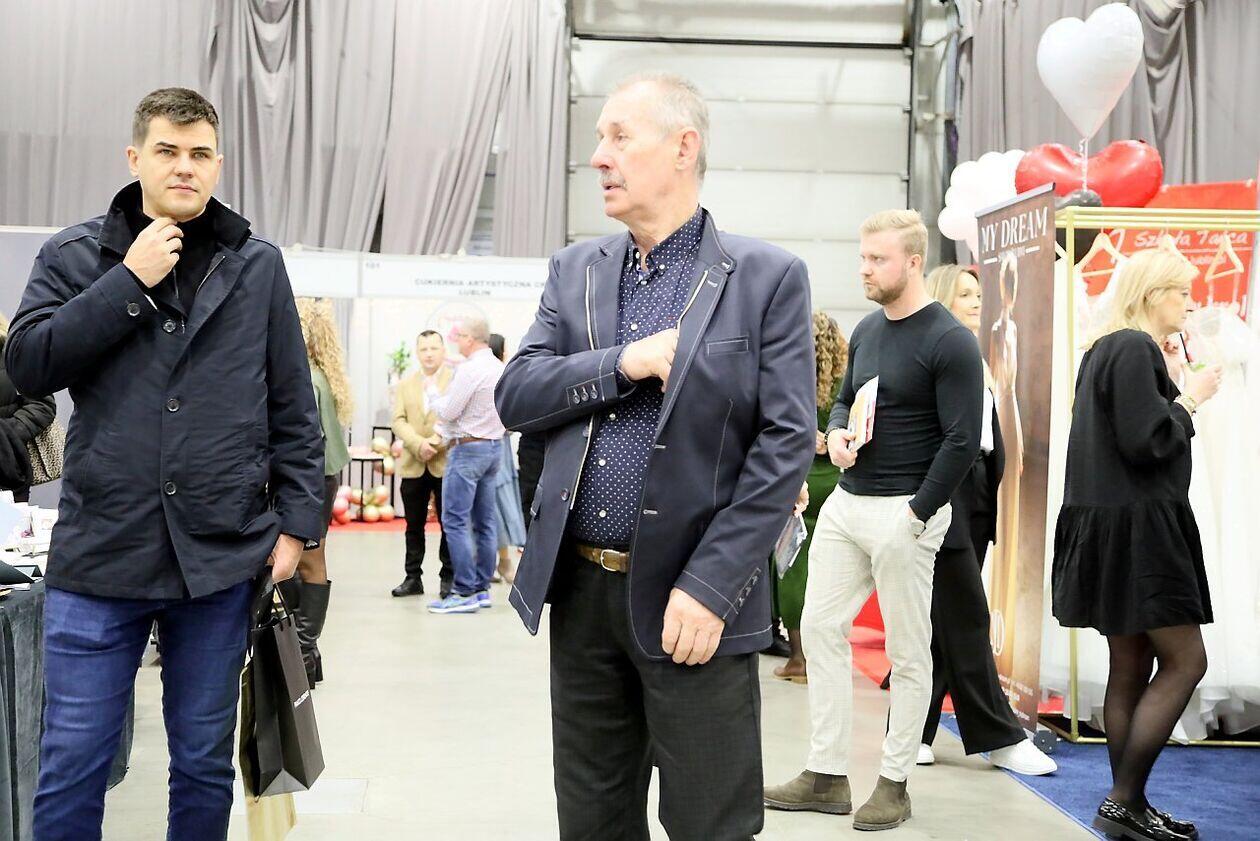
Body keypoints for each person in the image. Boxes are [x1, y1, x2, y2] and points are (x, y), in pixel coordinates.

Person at [495, 73, 815, 841]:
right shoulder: (576, 270)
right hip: (582, 594)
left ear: (683, 147)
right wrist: (624, 361)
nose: (599, 156)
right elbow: (519, 393)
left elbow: (784, 445)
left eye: (619, 136)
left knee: (710, 821)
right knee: (592, 819)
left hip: (694, 602)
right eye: (598, 138)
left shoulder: (767, 278)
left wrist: (710, 588)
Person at [7, 87, 322, 841]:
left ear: (218, 164)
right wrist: (127, 281)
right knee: (73, 760)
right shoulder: (75, 256)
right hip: (101, 552)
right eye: (168, 151)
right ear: (135, 158)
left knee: (205, 762)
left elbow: (293, 405)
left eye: (199, 153)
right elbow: (27, 364)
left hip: (218, 556)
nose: (185, 166)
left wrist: (297, 525)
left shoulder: (257, 267)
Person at [766, 210, 981, 832]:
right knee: (820, 627)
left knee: (908, 651)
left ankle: (894, 781)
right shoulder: (866, 330)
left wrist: (916, 513)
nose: (864, 269)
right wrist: (836, 434)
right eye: (863, 258)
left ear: (913, 262)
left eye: (877, 259)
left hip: (906, 510)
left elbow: (963, 440)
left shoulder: (950, 341)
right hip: (848, 502)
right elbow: (844, 399)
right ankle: (826, 774)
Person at [1053, 248, 1221, 841]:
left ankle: (1132, 805)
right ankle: (1123, 802)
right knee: (1186, 661)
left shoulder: (1107, 349)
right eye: (1182, 292)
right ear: (1153, 294)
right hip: (1141, 530)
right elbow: (1146, 442)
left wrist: (1169, 384)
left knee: (1130, 662)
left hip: (1112, 525)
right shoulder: (1131, 347)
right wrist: (1191, 397)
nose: (1189, 304)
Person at [910, 265, 1056, 774]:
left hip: (976, 490)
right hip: (947, 489)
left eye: (978, 293)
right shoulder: (940, 352)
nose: (977, 301)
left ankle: (915, 729)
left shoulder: (978, 355)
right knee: (963, 612)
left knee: (948, 615)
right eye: (966, 294)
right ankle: (996, 734)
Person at [771, 312, 848, 684]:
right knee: (827, 574)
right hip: (834, 483)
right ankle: (822, 659)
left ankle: (798, 658)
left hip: (798, 484)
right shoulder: (844, 385)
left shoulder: (792, 380)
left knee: (792, 570)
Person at [291, 297, 352, 687]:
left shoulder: (307, 381)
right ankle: (306, 652)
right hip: (321, 478)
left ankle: (302, 650)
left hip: (311, 480)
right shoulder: (318, 376)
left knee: (309, 561)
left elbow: (308, 444)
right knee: (307, 559)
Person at [426, 316, 505, 614]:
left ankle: (463, 591)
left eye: (458, 336)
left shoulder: (470, 370)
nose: (455, 341)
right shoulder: (499, 367)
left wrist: (433, 395)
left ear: (470, 339)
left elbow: (449, 411)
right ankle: (482, 588)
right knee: (485, 521)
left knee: (455, 521)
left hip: (467, 450)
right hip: (493, 448)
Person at [391, 329, 454, 598]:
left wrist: (435, 443)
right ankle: (412, 577)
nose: (429, 354)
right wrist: (419, 444)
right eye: (424, 349)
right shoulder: (405, 384)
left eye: (433, 348)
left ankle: (448, 577)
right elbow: (398, 421)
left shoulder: (455, 380)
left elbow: (455, 417)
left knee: (449, 525)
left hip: (445, 463)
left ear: (443, 351)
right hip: (413, 463)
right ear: (417, 353)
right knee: (413, 525)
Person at [0, 311, 56, 502]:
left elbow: (42, 405)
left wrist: (7, 434)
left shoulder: (11, 353)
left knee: (8, 521)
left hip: (6, 470)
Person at [488, 333, 525, 584]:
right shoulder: (503, 376)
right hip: (497, 451)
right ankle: (502, 561)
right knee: (498, 506)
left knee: (494, 507)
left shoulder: (500, 375)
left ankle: (497, 562)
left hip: (495, 449)